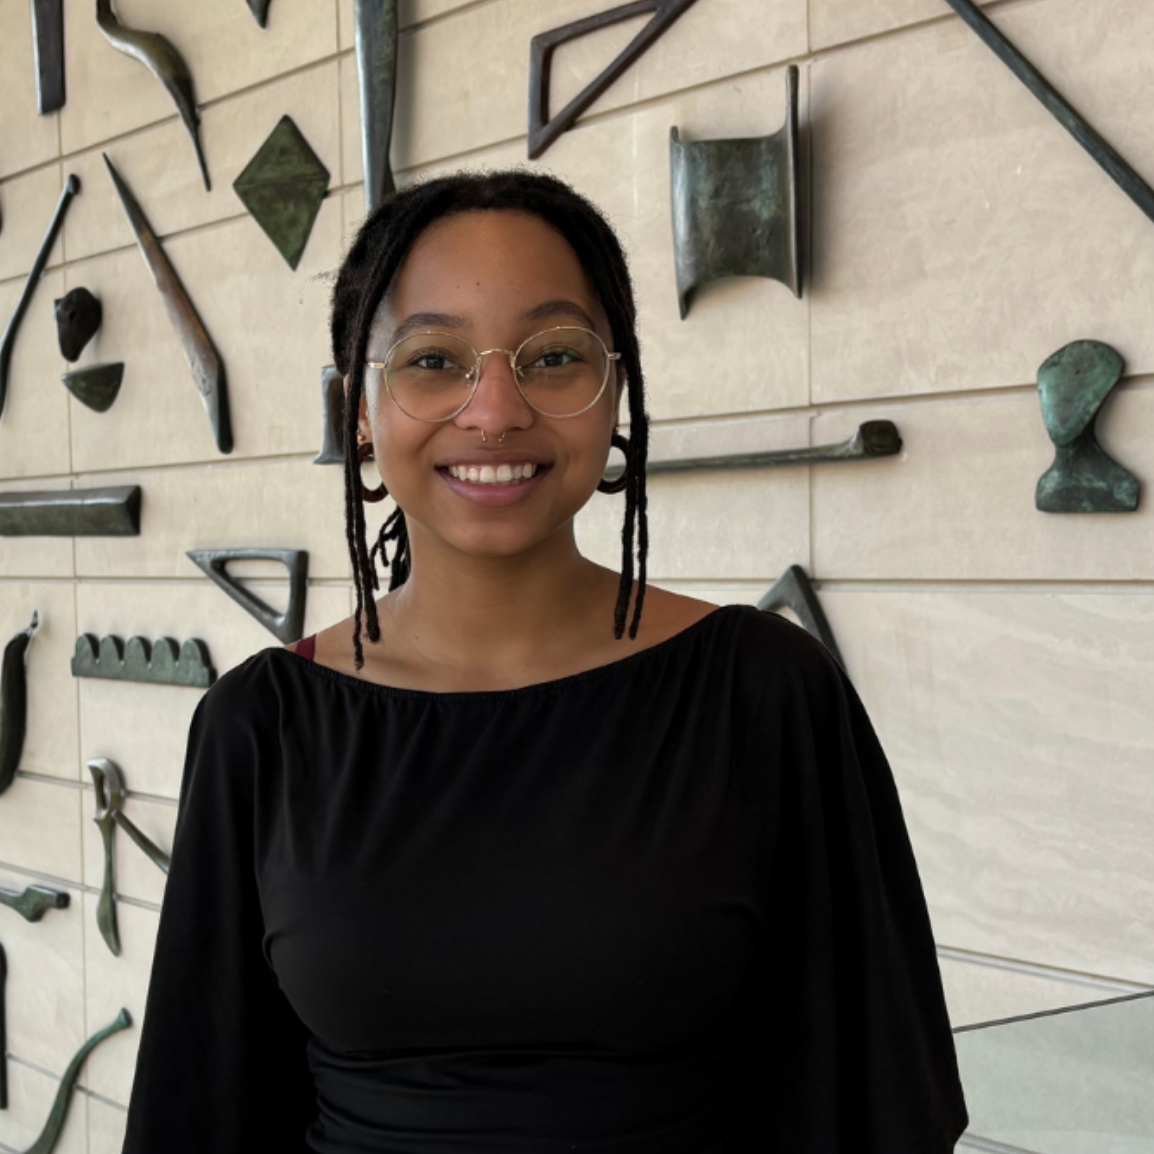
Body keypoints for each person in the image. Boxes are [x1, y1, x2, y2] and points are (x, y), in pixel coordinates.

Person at [121, 170, 968, 1152]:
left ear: (614, 391)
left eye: (552, 355)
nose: (493, 409)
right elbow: (204, 1112)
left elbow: (872, 1101)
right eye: (432, 359)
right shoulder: (262, 725)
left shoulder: (762, 690)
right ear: (358, 407)